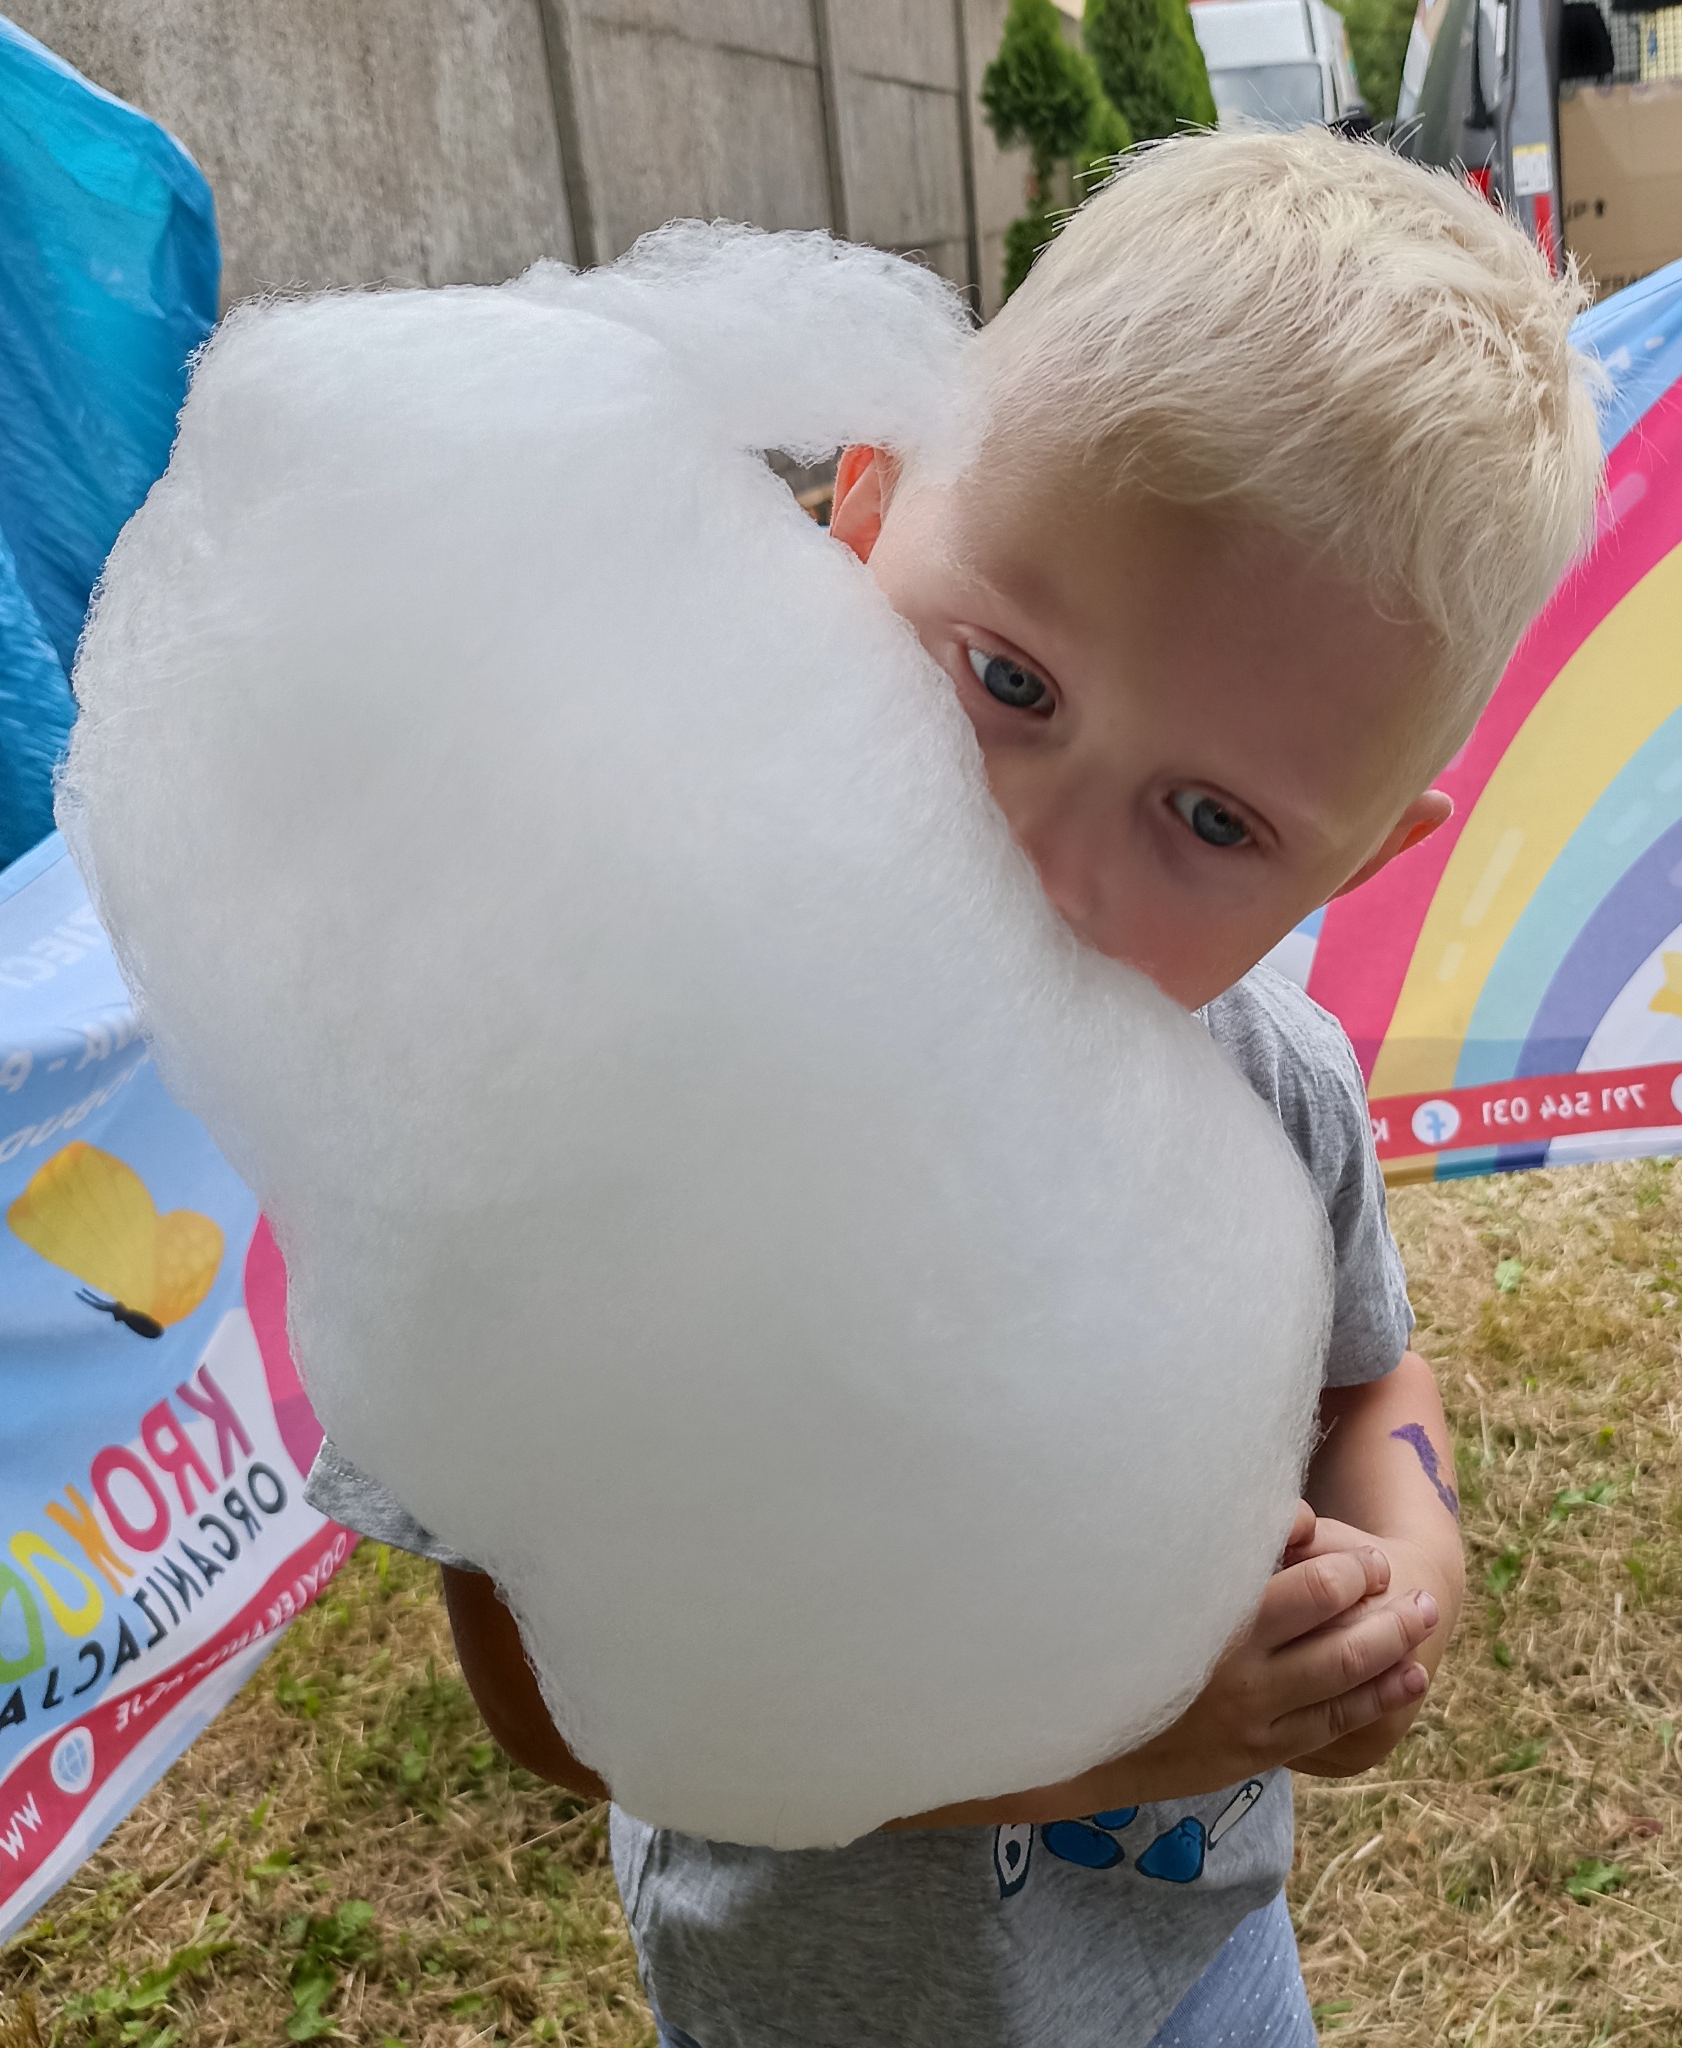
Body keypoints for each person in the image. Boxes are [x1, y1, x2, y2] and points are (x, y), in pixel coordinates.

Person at [306, 129, 1602, 2048]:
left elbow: (1366, 1374)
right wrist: (1152, 1741)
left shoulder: (1274, 1089)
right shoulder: (592, 1088)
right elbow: (550, 1699)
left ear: (1351, 868)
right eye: (1006, 681)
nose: (1045, 862)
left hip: (1202, 1969)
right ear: (857, 515)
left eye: (1214, 820)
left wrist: (1401, 1555)